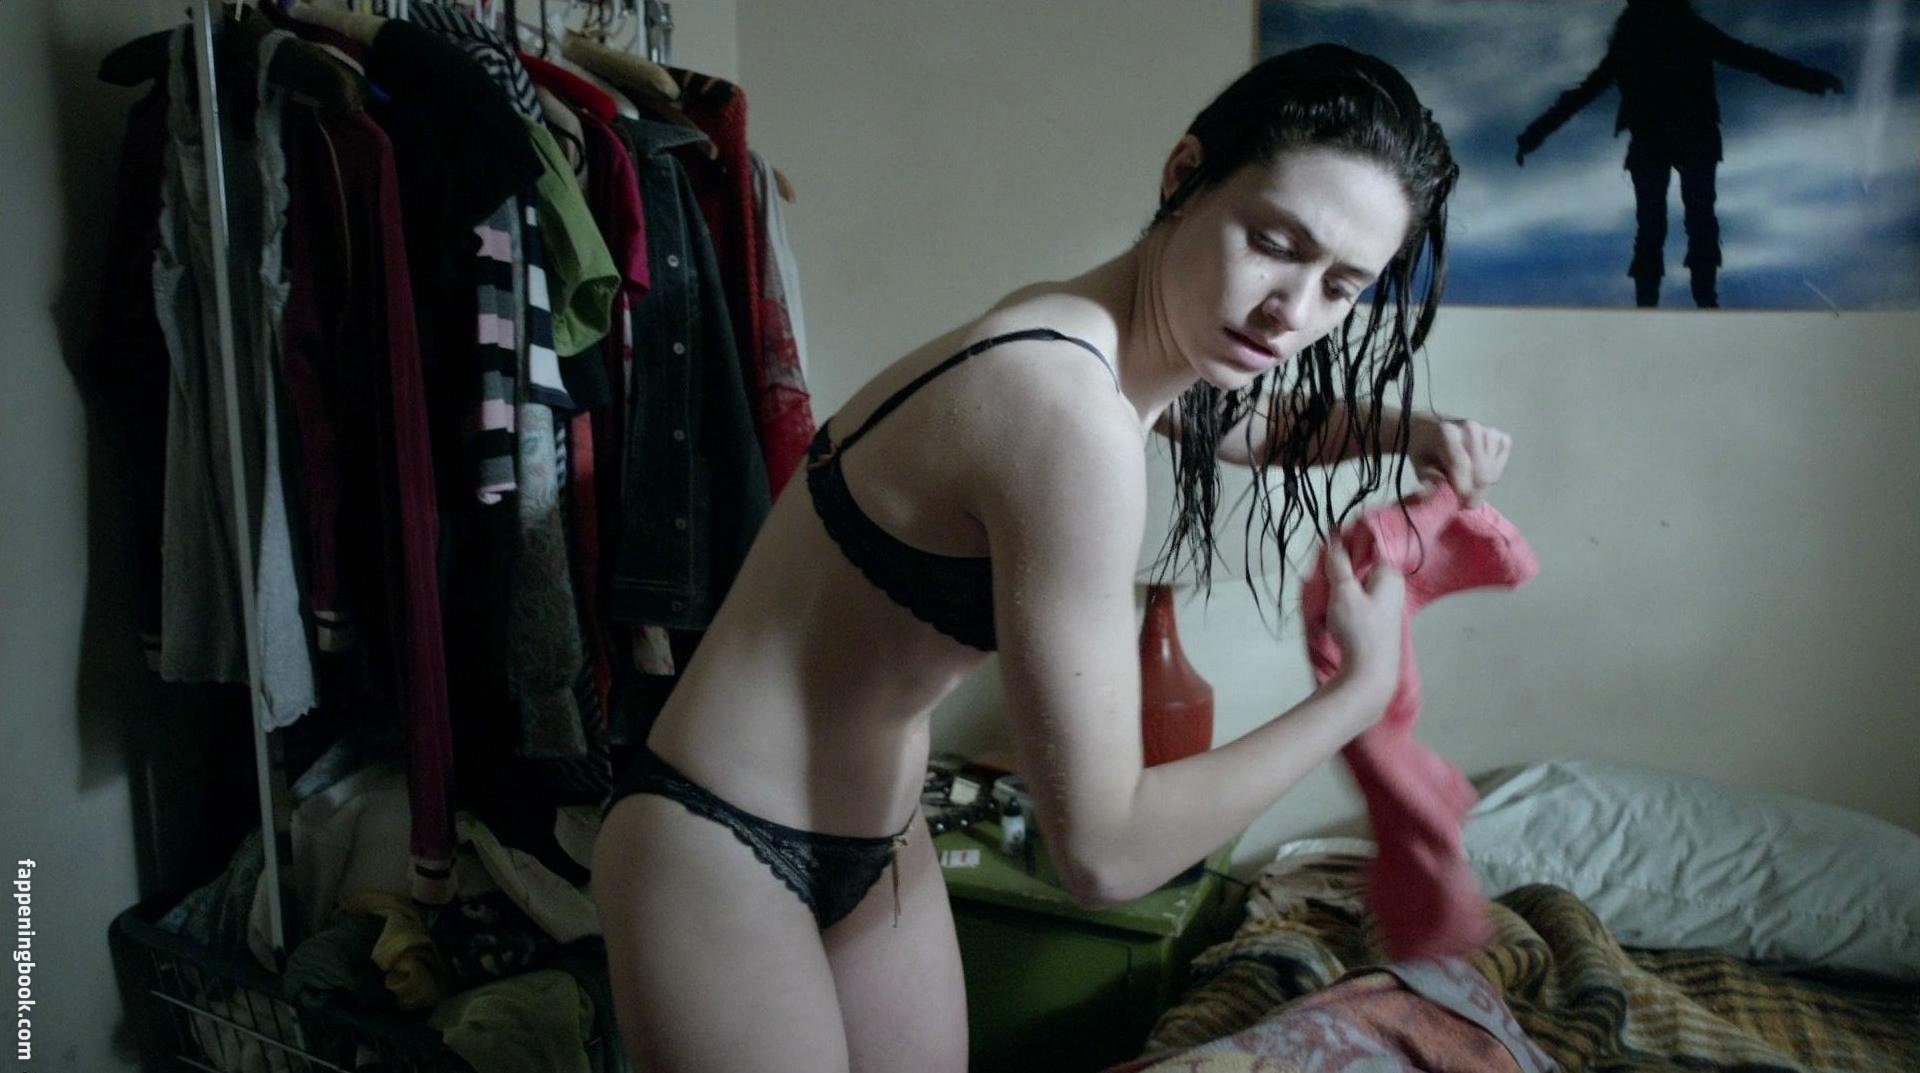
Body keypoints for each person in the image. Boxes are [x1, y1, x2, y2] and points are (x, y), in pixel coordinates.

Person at [591, 42, 1512, 1073]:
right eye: (1272, 243)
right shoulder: (1065, 413)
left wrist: (1407, 430)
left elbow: (1248, 425)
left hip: (879, 837)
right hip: (717, 835)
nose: (1291, 311)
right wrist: (1359, 693)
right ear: (1184, 172)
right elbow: (1105, 855)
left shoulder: (1101, 336)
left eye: (1341, 286)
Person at [1514, 0, 1845, 308]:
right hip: (1683, 137)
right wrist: (1812, 80)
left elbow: (1583, 94)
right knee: (1687, 222)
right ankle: (1694, 302)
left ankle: (1669, 303)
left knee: (1664, 225)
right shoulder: (1673, 32)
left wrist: (1535, 134)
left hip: (1669, 138)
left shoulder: (1639, 39)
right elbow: (1753, 59)